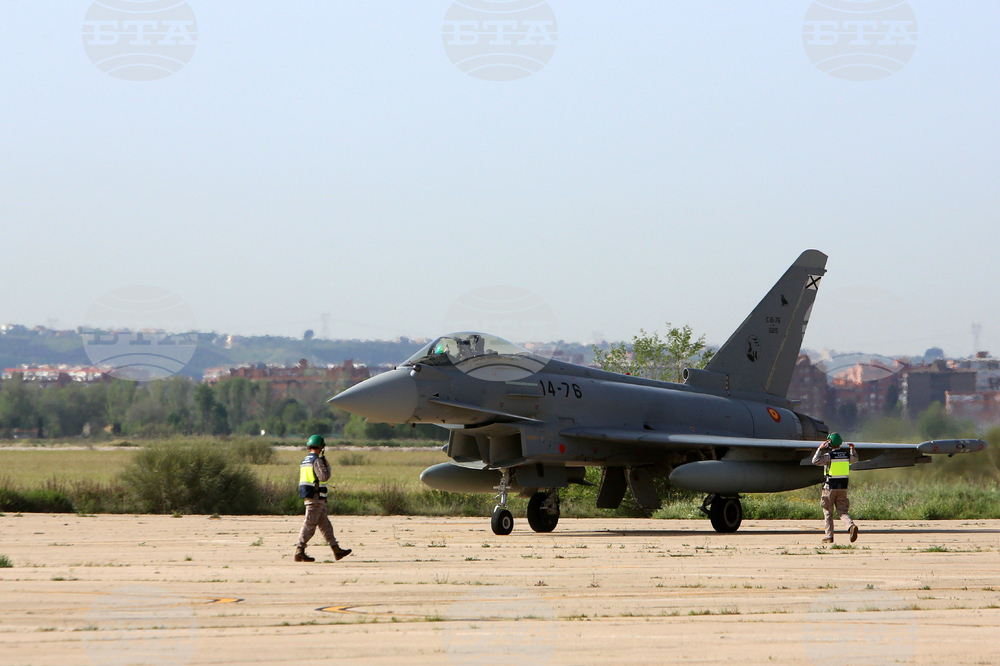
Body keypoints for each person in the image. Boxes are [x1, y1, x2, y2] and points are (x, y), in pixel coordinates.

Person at [295, 434, 352, 563]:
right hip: (315, 497)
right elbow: (323, 477)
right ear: (321, 446)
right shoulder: (316, 460)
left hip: (311, 496)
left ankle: (336, 549)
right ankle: (300, 550)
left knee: (325, 526)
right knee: (309, 525)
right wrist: (328, 468)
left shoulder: (305, 460)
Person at [812, 432, 859, 544]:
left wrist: (820, 448)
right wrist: (852, 449)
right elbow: (855, 459)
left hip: (829, 487)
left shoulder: (829, 456)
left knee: (828, 512)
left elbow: (815, 461)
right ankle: (850, 526)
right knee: (843, 511)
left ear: (830, 443)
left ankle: (829, 536)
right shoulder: (847, 456)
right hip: (842, 487)